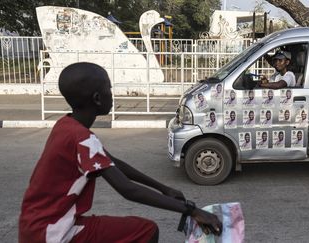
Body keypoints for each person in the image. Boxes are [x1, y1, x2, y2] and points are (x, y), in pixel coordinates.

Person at [18, 63, 222, 243]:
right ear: (97, 98)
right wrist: (192, 211)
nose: (112, 93)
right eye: (109, 88)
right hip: (53, 232)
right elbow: (128, 190)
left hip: (34, 226)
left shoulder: (66, 125)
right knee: (146, 231)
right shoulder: (82, 138)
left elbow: (112, 163)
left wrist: (163, 188)